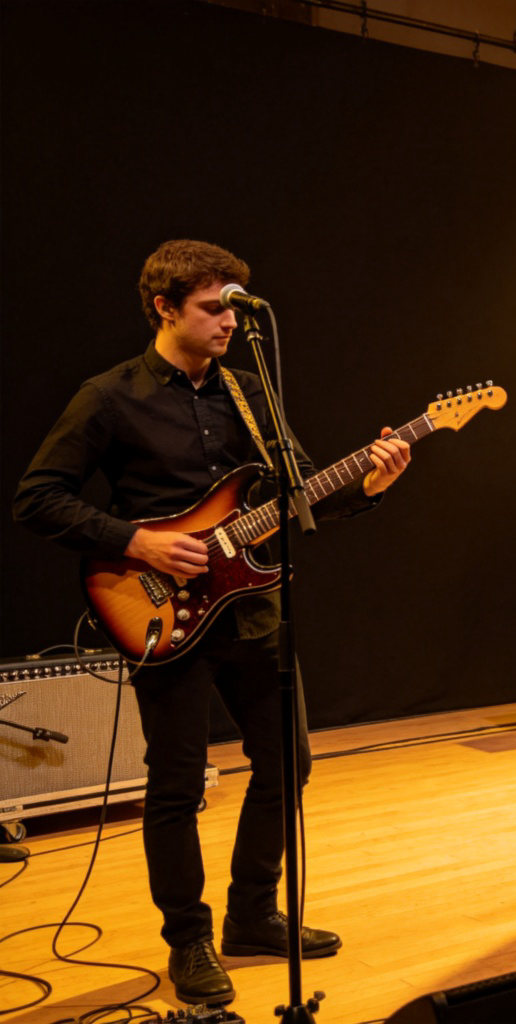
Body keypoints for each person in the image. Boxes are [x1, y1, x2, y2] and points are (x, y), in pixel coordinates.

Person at [13, 239, 411, 1004]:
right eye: (212, 307)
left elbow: (300, 498)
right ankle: (188, 939)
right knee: (175, 786)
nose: (229, 321)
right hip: (162, 614)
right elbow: (37, 496)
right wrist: (133, 538)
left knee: (286, 765)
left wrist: (371, 482)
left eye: (234, 305)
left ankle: (253, 915)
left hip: (254, 608)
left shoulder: (249, 391)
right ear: (165, 308)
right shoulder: (108, 396)